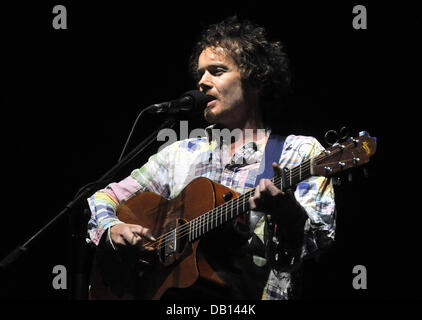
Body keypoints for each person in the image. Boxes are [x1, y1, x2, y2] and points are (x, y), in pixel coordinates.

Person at [87, 16, 336, 300]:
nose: (202, 83)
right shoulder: (180, 153)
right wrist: (113, 228)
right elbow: (103, 198)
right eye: (201, 73)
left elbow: (313, 243)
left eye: (217, 71)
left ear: (256, 80)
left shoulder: (299, 153)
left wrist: (289, 216)